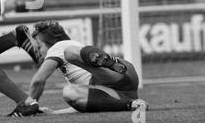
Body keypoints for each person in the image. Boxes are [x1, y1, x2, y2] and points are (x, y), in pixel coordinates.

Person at [9, 22, 148, 116]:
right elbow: (85, 103)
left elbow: (38, 81)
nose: (38, 51)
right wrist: (54, 113)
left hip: (106, 78)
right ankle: (132, 104)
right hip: (121, 88)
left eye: (39, 46)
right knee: (70, 92)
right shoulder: (74, 50)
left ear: (50, 42)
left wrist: (29, 105)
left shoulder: (58, 47)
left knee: (70, 53)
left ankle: (106, 62)